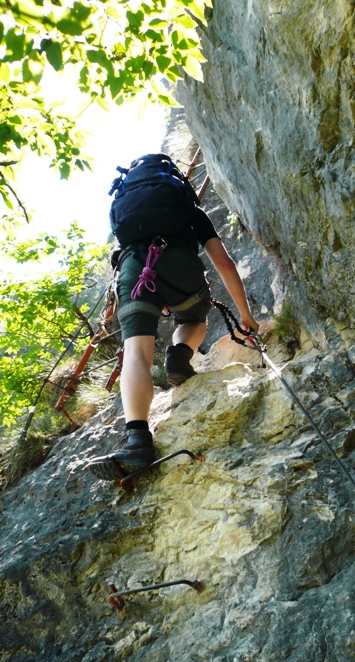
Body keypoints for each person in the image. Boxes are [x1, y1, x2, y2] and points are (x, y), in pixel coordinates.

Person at [88, 159, 259, 480]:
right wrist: (246, 317)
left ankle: (138, 440)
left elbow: (120, 252)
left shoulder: (127, 210)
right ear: (174, 180)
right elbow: (223, 262)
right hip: (181, 266)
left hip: (133, 268)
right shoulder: (187, 207)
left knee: (136, 354)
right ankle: (179, 358)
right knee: (194, 319)